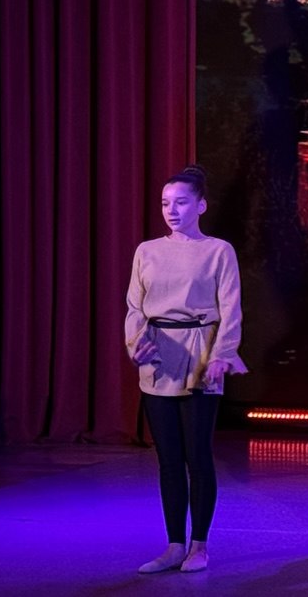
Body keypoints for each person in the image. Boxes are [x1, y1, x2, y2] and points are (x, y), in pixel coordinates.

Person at [125, 165, 247, 574]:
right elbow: (134, 307)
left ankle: (200, 546)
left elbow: (231, 308)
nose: (171, 211)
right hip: (159, 356)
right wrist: (136, 343)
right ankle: (174, 544)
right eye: (165, 203)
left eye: (180, 202)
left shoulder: (218, 251)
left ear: (201, 206)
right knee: (169, 459)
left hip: (200, 356)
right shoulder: (147, 251)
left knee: (198, 455)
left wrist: (222, 354)